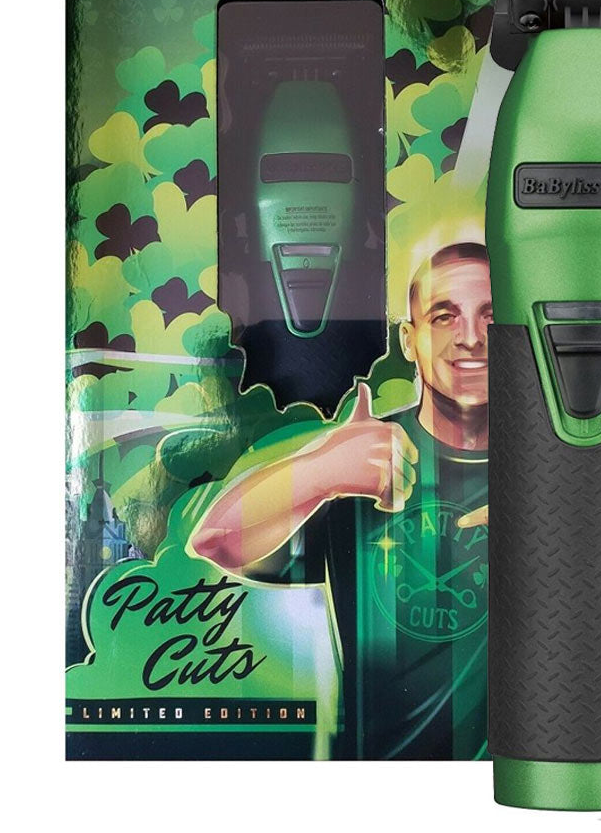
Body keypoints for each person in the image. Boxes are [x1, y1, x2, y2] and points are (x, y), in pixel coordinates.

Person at [193, 243, 492, 759]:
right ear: (409, 339)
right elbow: (217, 540)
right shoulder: (367, 457)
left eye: (493, 317)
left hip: (529, 783)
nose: (470, 337)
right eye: (444, 316)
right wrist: (321, 472)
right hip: (373, 778)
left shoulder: (558, 466)